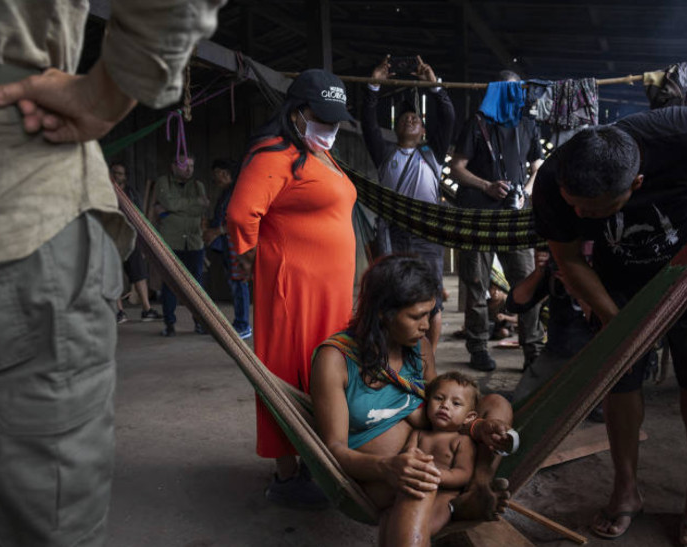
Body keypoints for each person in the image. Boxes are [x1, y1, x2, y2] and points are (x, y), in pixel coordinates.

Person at [0, 1, 224, 545]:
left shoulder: (195, 187)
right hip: (8, 211)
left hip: (7, 220)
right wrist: (108, 92)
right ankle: (169, 320)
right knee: (36, 519)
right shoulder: (167, 186)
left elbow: (197, 208)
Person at [532, 106, 687, 547]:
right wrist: (617, 323)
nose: (577, 212)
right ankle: (626, 489)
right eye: (573, 204)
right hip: (619, 280)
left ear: (636, 184)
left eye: (591, 210)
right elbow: (569, 259)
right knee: (619, 376)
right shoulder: (552, 180)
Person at [311, 255, 517, 546]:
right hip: (379, 473)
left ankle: (478, 486)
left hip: (434, 450)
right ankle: (452, 502)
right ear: (383, 313)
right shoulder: (335, 360)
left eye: (429, 314)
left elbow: (439, 405)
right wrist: (388, 467)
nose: (426, 326)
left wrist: (476, 426)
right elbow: (334, 450)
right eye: (416, 316)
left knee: (497, 404)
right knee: (420, 482)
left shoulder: (418, 348)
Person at [226, 69, 358, 508]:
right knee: (285, 370)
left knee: (324, 370)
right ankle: (286, 475)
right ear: (297, 113)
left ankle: (316, 456)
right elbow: (241, 214)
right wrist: (249, 262)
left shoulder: (320, 155)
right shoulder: (275, 153)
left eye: (336, 119)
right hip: (293, 287)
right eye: (322, 117)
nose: (330, 126)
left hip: (329, 292)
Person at [451, 70, 545, 372]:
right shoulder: (478, 123)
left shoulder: (527, 124)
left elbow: (538, 166)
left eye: (517, 91)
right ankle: (478, 348)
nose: (513, 96)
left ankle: (532, 349)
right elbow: (457, 168)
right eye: (506, 90)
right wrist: (486, 186)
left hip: (513, 218)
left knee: (527, 281)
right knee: (476, 284)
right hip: (478, 216)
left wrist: (526, 191)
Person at [361, 55, 456, 351]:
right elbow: (368, 123)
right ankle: (394, 351)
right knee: (392, 292)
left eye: (416, 118)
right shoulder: (385, 154)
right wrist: (374, 86)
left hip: (427, 233)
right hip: (393, 233)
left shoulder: (432, 154)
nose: (410, 119)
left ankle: (428, 358)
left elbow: (448, 117)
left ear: (424, 131)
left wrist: (434, 86)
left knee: (431, 298)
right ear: (395, 127)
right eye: (404, 118)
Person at [393, 371, 480, 535]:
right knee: (397, 523)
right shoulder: (419, 434)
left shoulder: (461, 441)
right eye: (439, 398)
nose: (445, 405)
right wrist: (410, 458)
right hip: (415, 487)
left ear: (468, 417)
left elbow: (464, 473)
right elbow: (406, 454)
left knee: (424, 530)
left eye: (456, 403)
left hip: (444, 494)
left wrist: (436, 475)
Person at [507, 248, 595, 403]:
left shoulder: (607, 257)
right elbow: (515, 303)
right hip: (557, 352)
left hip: (598, 354)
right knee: (522, 403)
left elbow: (610, 324)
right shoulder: (559, 257)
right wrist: (538, 273)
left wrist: (578, 291)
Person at [154, 155, 209, 337]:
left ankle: (200, 322)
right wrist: (193, 203)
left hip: (194, 242)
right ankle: (169, 324)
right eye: (185, 165)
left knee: (196, 286)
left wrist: (172, 210)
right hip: (172, 242)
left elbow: (201, 208)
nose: (189, 169)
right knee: (170, 284)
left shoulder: (198, 185)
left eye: (192, 166)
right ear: (174, 166)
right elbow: (168, 202)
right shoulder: (163, 182)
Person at [204, 158, 252, 339]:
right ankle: (240, 322)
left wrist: (218, 231)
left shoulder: (236, 192)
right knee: (235, 283)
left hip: (237, 243)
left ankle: (243, 324)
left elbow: (239, 219)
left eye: (216, 174)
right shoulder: (226, 193)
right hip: (229, 243)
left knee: (239, 283)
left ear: (225, 173)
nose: (214, 178)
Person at [109, 161, 162, 323]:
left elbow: (140, 218)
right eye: (114, 172)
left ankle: (146, 309)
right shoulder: (105, 191)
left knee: (139, 273)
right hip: (111, 239)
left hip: (131, 238)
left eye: (119, 173)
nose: (116, 176)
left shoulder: (131, 193)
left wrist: (143, 241)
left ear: (125, 177)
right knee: (113, 274)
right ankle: (119, 311)